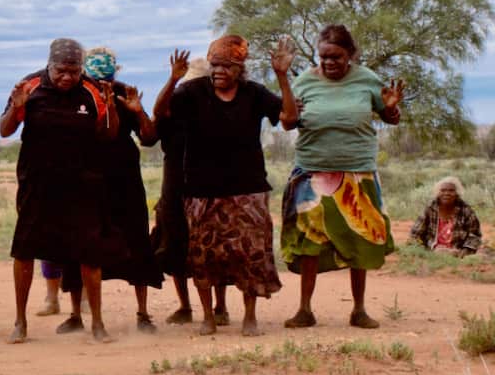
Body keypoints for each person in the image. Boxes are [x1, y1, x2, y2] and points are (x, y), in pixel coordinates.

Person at [154, 35, 298, 336]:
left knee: (251, 253)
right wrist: (172, 80)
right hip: (201, 189)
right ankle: (208, 316)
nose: (219, 71)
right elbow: (161, 113)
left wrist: (282, 77)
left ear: (240, 69)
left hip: (247, 188)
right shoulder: (192, 92)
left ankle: (249, 316)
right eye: (215, 65)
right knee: (204, 255)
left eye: (227, 66)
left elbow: (288, 119)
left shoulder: (253, 94)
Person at [280, 24, 405, 330]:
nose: (329, 62)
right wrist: (282, 78)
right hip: (312, 172)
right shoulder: (305, 82)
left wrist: (391, 108)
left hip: (357, 172)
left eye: (336, 56)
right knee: (309, 243)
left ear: (350, 54)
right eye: (323, 56)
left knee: (358, 239)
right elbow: (287, 123)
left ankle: (359, 310)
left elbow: (390, 117)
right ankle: (304, 309)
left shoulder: (367, 80)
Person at [0, 38, 121, 344]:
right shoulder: (29, 86)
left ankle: (97, 323)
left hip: (83, 186)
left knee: (89, 255)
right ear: (49, 65)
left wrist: (110, 107)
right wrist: (16, 109)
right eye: (61, 71)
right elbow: (4, 130)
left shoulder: (93, 90)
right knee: (25, 251)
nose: (67, 77)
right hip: (37, 184)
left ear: (81, 68)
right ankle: (20, 322)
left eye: (74, 70)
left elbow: (108, 135)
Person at [78, 46, 163, 334]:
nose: (103, 84)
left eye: (108, 78)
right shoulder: (78, 95)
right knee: (83, 244)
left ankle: (143, 313)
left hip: (125, 179)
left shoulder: (126, 93)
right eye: (96, 78)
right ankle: (78, 314)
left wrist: (139, 113)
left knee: (137, 240)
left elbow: (150, 138)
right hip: (88, 179)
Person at [149, 58, 229, 325]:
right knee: (174, 245)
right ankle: (185, 306)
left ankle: (220, 307)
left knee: (214, 248)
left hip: (209, 187)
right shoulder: (171, 110)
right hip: (174, 188)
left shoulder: (215, 111)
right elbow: (150, 131)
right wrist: (171, 80)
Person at [410, 176, 482, 256]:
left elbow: (475, 235)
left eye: (451, 190)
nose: (447, 193)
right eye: (443, 190)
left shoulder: (466, 210)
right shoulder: (430, 208)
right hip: (432, 250)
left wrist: (465, 251)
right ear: (438, 192)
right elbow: (415, 233)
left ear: (457, 193)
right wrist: (424, 249)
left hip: (457, 250)